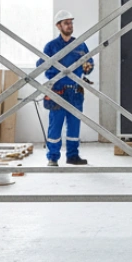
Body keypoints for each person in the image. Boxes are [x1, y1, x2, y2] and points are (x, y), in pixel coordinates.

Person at [38, 9, 94, 166]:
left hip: (75, 92)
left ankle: (73, 156)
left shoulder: (80, 44)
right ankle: (53, 157)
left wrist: (88, 67)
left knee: (74, 126)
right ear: (58, 26)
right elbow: (41, 65)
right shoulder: (51, 47)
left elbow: (89, 65)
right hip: (58, 91)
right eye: (66, 23)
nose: (70, 26)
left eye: (71, 23)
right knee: (55, 126)